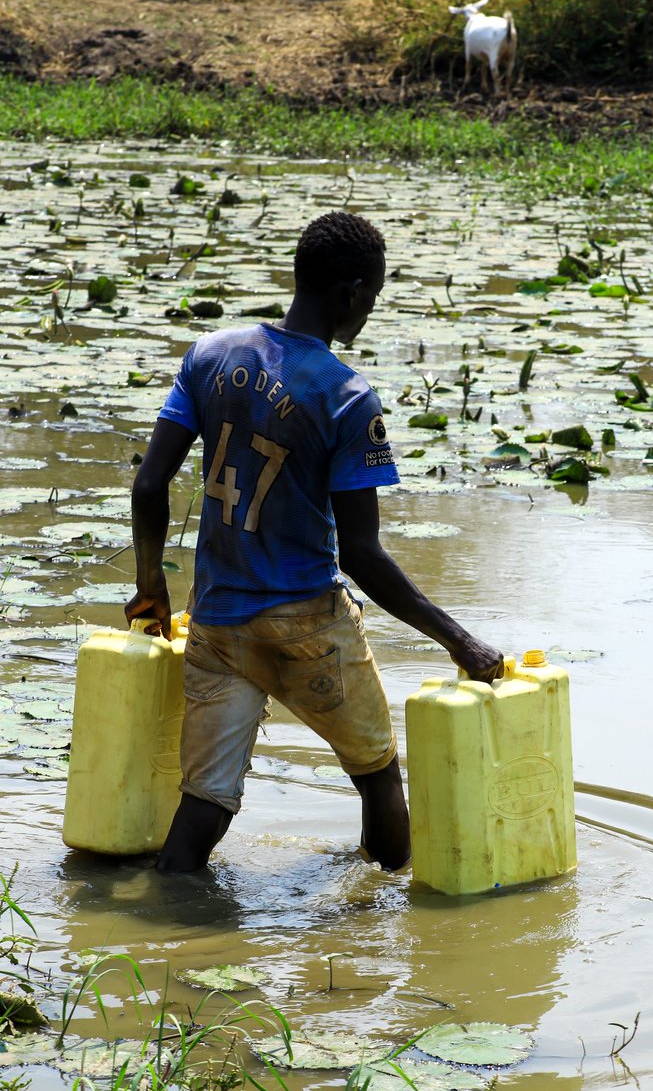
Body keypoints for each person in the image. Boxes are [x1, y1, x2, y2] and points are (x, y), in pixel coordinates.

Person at [125, 210, 504, 875]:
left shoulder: (211, 354)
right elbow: (362, 553)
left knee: (205, 804)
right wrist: (459, 641)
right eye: (374, 297)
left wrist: (151, 586)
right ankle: (390, 922)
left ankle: (165, 934)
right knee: (378, 775)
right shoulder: (347, 397)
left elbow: (149, 483)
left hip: (215, 621)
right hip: (306, 623)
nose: (370, 310)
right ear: (350, 293)